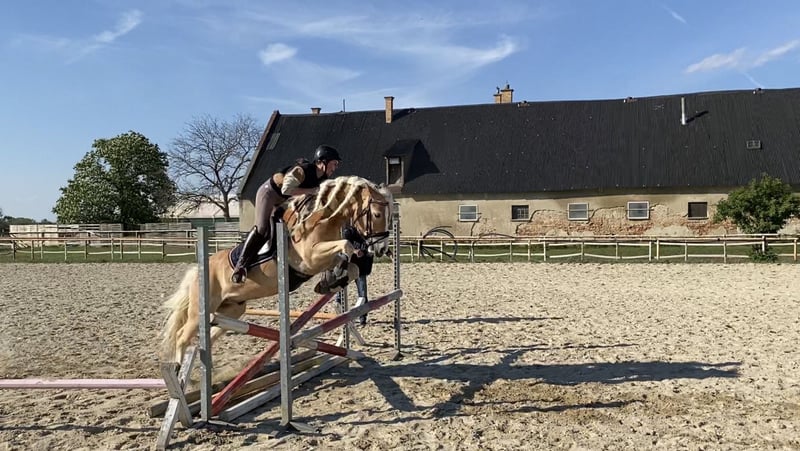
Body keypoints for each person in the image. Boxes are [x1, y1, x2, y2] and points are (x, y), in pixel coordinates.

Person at [231, 144, 342, 283]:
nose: (335, 167)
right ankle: (240, 265)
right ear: (323, 162)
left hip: (284, 201)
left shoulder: (321, 179)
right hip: (270, 193)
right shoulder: (302, 170)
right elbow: (286, 190)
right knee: (262, 228)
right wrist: (311, 191)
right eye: (334, 163)